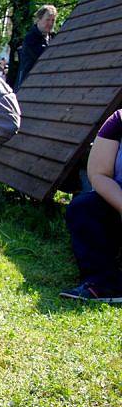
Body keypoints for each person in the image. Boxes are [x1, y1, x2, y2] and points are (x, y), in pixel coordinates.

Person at [60, 110, 122, 303]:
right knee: (83, 208)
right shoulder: (118, 121)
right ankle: (103, 283)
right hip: (117, 200)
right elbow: (99, 174)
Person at [15, 4, 57, 90]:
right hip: (27, 85)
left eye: (53, 20)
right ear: (38, 20)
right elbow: (44, 57)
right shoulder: (31, 38)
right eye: (47, 20)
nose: (50, 23)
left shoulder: (53, 37)